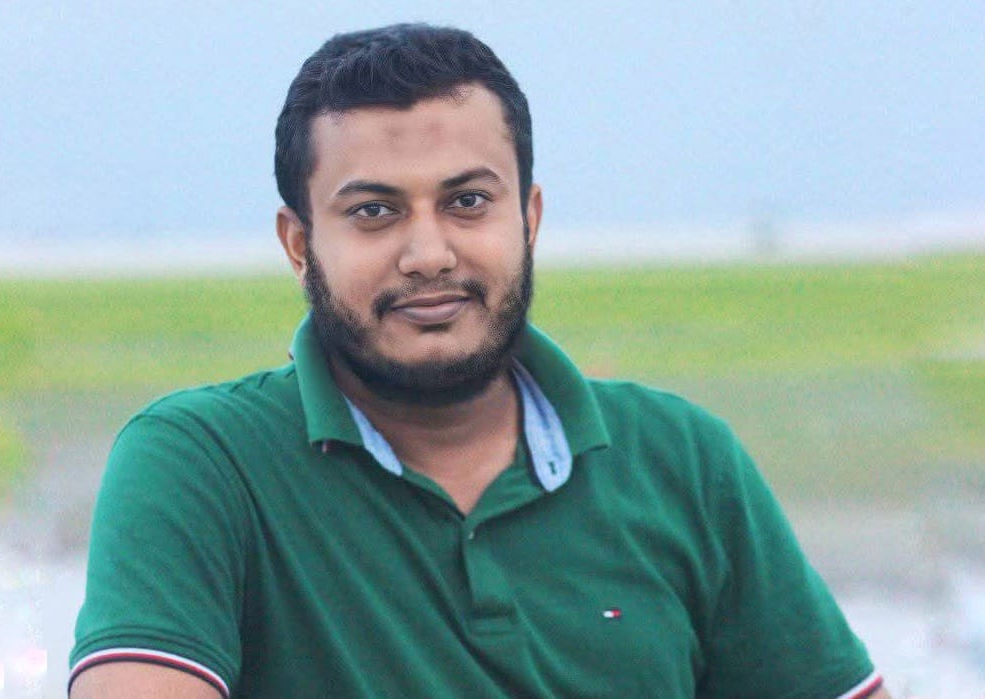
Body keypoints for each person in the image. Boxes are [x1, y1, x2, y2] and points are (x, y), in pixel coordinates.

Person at [68, 23, 889, 698]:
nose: (428, 253)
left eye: (467, 201)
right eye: (374, 211)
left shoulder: (683, 460)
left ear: (528, 217)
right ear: (298, 243)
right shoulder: (203, 462)